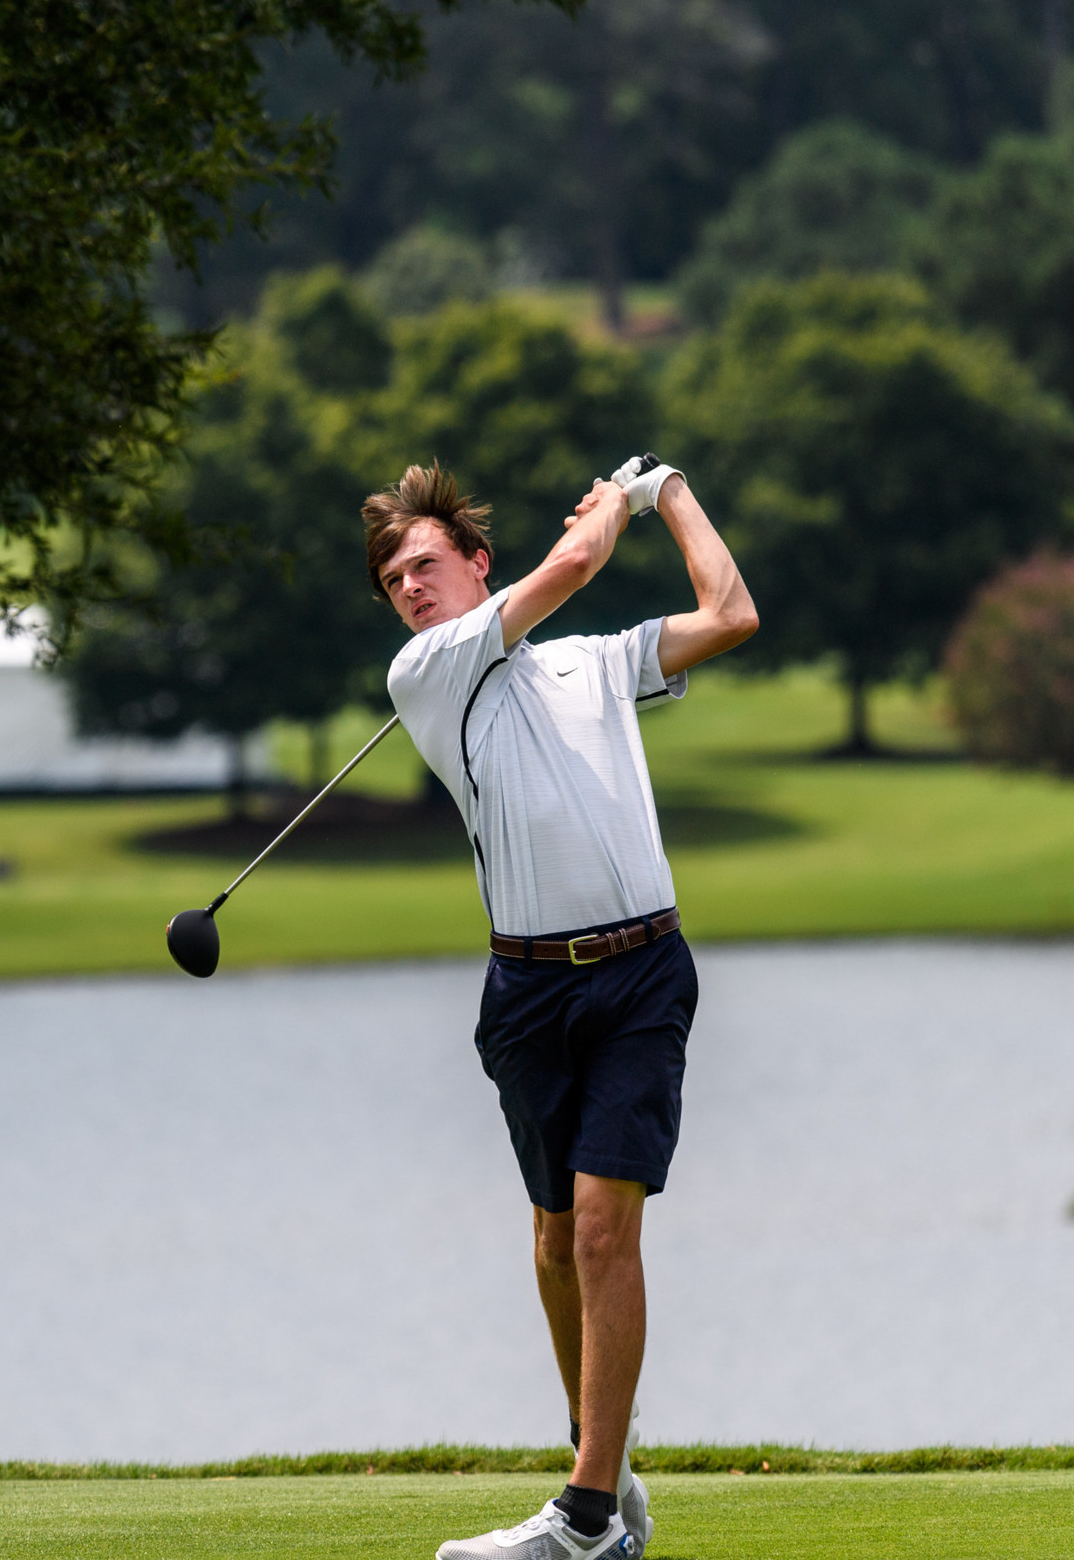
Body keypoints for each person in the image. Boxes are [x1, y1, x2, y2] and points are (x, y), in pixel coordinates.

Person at [366, 458, 757, 1560]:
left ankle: (583, 1515)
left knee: (599, 1225)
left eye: (425, 563)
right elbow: (578, 560)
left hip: (641, 973)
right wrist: (604, 512)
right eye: (393, 574)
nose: (407, 585)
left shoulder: (593, 662)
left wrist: (673, 490)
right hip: (528, 989)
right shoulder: (425, 672)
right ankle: (609, 1464)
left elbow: (731, 613)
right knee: (552, 1238)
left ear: (475, 563)